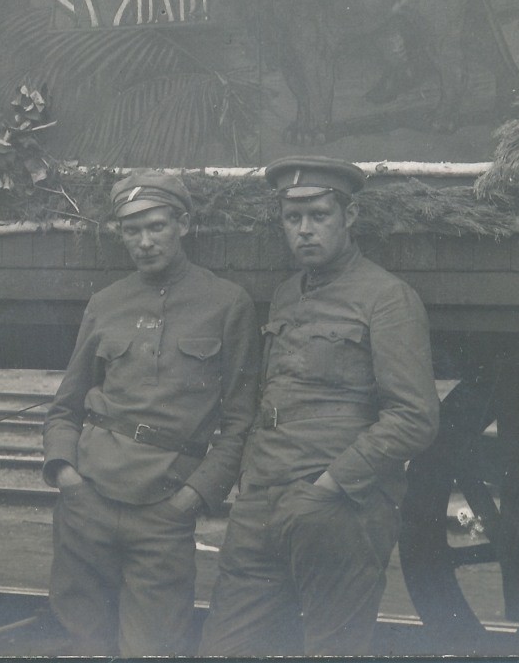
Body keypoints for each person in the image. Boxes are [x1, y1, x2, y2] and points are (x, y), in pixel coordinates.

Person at [201, 157, 440, 657]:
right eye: (293, 218)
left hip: (337, 507)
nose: (305, 230)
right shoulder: (287, 295)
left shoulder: (387, 297)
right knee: (226, 647)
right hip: (262, 502)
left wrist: (330, 485)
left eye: (319, 215)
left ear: (349, 216)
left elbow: (414, 416)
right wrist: (251, 483)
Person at [42, 171, 261, 658]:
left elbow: (240, 422)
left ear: (183, 225)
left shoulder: (227, 305)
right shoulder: (106, 303)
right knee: (80, 644)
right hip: (88, 500)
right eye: (131, 230)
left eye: (156, 227)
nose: (144, 242)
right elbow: (66, 406)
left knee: (154, 648)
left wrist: (194, 497)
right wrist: (66, 475)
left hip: (164, 510)